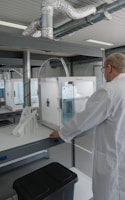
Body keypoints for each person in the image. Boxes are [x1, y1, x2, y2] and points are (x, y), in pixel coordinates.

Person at [50, 52, 125, 200]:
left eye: (103, 70)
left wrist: (63, 132)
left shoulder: (109, 90)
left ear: (109, 68)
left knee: (109, 192)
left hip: (114, 156)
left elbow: (85, 119)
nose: (104, 75)